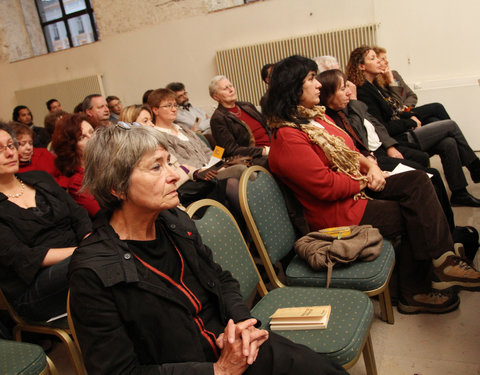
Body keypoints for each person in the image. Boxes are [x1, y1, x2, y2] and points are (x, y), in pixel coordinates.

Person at [68, 123, 348, 374]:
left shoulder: (174, 222)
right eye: (156, 167)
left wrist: (243, 323)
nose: (175, 175)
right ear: (117, 187)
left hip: (235, 347)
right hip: (198, 367)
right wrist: (218, 371)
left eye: (170, 162)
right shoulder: (93, 270)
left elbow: (221, 279)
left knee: (317, 367)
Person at [263, 55, 480, 314]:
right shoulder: (288, 136)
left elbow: (351, 150)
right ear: (293, 88)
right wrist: (365, 180)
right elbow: (325, 186)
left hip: (353, 189)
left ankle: (442, 259)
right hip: (335, 212)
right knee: (412, 213)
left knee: (418, 180)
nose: (318, 84)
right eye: (311, 79)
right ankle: (414, 292)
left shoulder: (314, 119)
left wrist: (372, 166)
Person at [317, 69, 454, 231]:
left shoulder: (340, 111)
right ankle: (447, 234)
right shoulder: (330, 118)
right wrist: (370, 160)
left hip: (374, 155)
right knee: (428, 176)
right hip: (368, 169)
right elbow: (357, 140)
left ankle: (449, 231)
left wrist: (381, 150)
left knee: (435, 161)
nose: (348, 92)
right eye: (342, 88)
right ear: (327, 95)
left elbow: (372, 129)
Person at [346, 46, 480, 207]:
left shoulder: (375, 85)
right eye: (373, 58)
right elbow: (382, 127)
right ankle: (475, 167)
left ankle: (460, 193)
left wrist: (409, 116)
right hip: (396, 139)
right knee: (449, 125)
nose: (380, 62)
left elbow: (397, 108)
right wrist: (410, 122)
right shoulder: (363, 91)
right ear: (361, 66)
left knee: (448, 142)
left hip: (401, 131)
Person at [0, 122, 91, 321]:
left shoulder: (39, 178)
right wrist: (86, 250)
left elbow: (78, 214)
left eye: (10, 145)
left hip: (81, 260)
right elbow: (23, 257)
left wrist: (89, 240)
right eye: (0, 149)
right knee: (93, 261)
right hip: (33, 289)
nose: (9, 153)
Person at [147, 88, 244, 209]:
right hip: (197, 179)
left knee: (243, 173)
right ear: (155, 110)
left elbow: (206, 150)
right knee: (239, 173)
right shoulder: (159, 137)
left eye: (175, 105)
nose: (174, 109)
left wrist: (217, 164)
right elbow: (179, 164)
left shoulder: (184, 129)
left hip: (213, 170)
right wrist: (205, 169)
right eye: (168, 106)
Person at [372, 46, 451, 124]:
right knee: (437, 107)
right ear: (376, 63)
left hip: (407, 110)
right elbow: (395, 105)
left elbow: (412, 95)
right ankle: (456, 133)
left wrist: (405, 107)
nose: (387, 62)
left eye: (386, 58)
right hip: (398, 116)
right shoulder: (376, 83)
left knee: (433, 120)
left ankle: (453, 134)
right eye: (382, 59)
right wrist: (392, 83)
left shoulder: (395, 74)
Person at [209, 76, 270, 168]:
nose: (231, 90)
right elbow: (231, 150)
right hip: (255, 157)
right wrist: (264, 151)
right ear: (216, 97)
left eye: (231, 86)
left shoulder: (247, 106)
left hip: (273, 147)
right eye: (225, 88)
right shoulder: (218, 118)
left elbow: (267, 126)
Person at [51, 113, 100, 218]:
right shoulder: (77, 183)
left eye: (92, 132)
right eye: (82, 137)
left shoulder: (107, 164)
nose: (92, 138)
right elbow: (102, 213)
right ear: (71, 147)